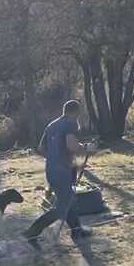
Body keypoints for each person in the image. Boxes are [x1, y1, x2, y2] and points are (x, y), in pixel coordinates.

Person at [23, 99, 92, 251]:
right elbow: (72, 145)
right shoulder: (70, 123)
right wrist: (83, 149)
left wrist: (55, 156)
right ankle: (33, 230)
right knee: (62, 207)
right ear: (76, 112)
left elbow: (41, 149)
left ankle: (77, 230)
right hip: (63, 172)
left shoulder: (51, 125)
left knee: (69, 200)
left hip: (51, 171)